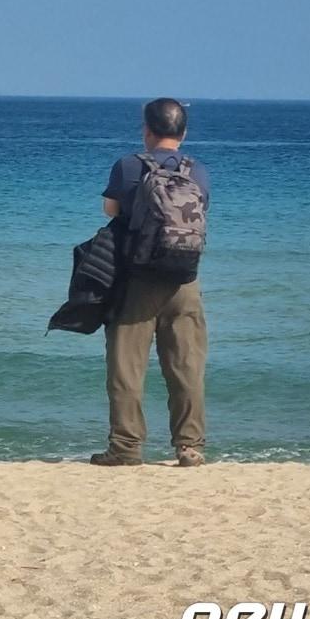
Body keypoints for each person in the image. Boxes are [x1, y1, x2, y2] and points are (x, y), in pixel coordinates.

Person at [91, 98, 212, 468]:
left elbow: (111, 210)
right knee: (186, 367)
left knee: (127, 368)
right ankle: (189, 447)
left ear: (146, 130)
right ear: (184, 132)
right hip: (185, 281)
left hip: (138, 280)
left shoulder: (129, 166)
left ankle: (126, 448)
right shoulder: (199, 172)